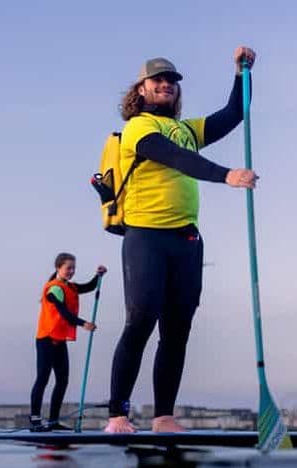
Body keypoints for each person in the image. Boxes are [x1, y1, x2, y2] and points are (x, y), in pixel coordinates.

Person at [104, 46, 258, 433]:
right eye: (158, 80)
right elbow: (174, 158)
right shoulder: (140, 127)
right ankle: (118, 415)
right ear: (141, 89)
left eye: (171, 81)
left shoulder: (187, 129)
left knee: (177, 329)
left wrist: (241, 74)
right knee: (141, 320)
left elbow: (234, 114)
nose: (166, 85)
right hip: (146, 236)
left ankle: (163, 417)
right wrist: (226, 175)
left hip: (186, 239)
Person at [31, 253, 106, 431]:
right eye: (68, 268)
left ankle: (53, 421)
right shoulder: (54, 289)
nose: (71, 271)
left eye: (73, 268)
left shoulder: (69, 286)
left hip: (59, 340)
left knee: (62, 380)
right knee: (43, 379)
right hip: (46, 339)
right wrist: (83, 323)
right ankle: (35, 420)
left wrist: (99, 276)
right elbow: (64, 313)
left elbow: (89, 286)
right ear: (58, 268)